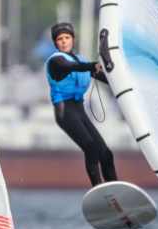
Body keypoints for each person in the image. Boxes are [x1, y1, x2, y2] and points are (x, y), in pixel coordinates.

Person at [45, 22, 117, 187]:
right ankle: (99, 189)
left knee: (106, 153)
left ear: (73, 39)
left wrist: (122, 85)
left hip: (79, 111)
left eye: (67, 37)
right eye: (60, 39)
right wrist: (92, 65)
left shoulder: (81, 60)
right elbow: (70, 67)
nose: (64, 41)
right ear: (55, 43)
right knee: (91, 148)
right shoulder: (56, 61)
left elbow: (105, 79)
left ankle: (115, 190)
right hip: (65, 112)